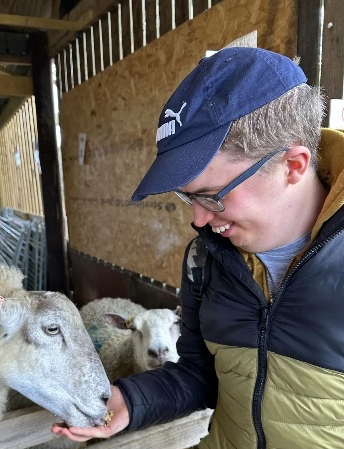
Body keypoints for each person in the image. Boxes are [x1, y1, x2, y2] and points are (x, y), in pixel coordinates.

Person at [52, 47, 344, 448]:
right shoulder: (205, 259)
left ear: (292, 165)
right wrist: (132, 401)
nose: (200, 220)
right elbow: (198, 374)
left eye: (212, 195)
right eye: (190, 198)